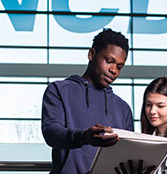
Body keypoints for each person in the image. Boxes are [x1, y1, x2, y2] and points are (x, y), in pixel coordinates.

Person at [41, 28, 134, 174]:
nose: (114, 70)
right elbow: (51, 133)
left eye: (119, 67)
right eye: (109, 61)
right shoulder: (59, 90)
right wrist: (84, 137)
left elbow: (127, 157)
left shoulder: (123, 109)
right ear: (91, 54)